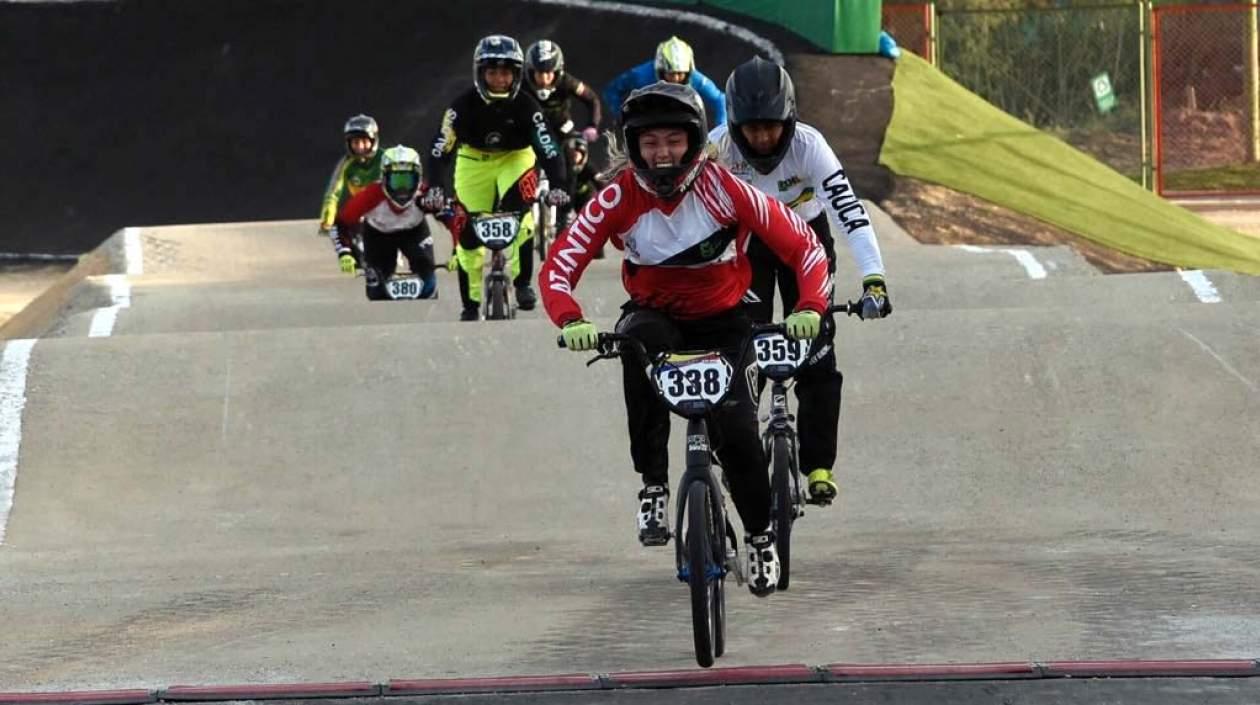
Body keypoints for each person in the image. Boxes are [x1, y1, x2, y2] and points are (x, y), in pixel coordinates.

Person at [540, 82, 830, 597]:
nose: (662, 154)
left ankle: (761, 535)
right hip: (656, 314)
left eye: (673, 141)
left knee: (739, 428)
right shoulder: (617, 196)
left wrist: (809, 306)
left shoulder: (727, 188)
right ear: (632, 147)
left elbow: (805, 246)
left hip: (727, 319)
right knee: (634, 343)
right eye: (649, 143)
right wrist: (570, 319)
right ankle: (653, 483)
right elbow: (560, 264)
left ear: (695, 141)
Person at [709, 56, 892, 506]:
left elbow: (849, 214)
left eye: (771, 127)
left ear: (789, 118)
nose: (762, 138)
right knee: (737, 350)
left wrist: (874, 278)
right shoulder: (715, 149)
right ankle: (738, 454)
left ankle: (818, 464)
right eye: (751, 129)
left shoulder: (811, 146)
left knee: (818, 351)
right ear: (733, 125)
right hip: (748, 247)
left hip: (806, 245)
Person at [424, 34, 569, 321]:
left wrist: (558, 185)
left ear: (516, 75)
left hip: (515, 159)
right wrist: (436, 187)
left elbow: (549, 147)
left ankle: (523, 282)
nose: (499, 79)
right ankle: (470, 302)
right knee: (466, 226)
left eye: (506, 72)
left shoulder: (528, 106)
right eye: (492, 72)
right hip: (472, 160)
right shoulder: (460, 107)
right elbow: (440, 147)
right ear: (480, 73)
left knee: (521, 211)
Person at [334, 145, 452, 300]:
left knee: (428, 284)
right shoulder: (370, 195)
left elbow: (454, 219)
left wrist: (459, 251)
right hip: (378, 236)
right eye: (397, 181)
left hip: (414, 232)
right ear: (384, 178)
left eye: (407, 180)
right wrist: (345, 253)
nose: (402, 189)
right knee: (376, 292)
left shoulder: (426, 194)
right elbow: (341, 223)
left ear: (418, 178)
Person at [602, 36, 726, 128]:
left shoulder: (695, 78)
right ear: (660, 69)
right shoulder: (639, 75)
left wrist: (720, 130)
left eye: (680, 74)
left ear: (688, 71)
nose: (676, 79)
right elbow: (611, 91)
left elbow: (720, 99)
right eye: (671, 74)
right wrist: (621, 115)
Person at [319, 114, 383, 273]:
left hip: (387, 210)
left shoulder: (386, 158)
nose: (360, 146)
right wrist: (327, 217)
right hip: (361, 212)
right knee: (342, 227)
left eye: (364, 141)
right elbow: (333, 192)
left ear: (373, 140)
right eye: (355, 142)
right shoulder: (346, 163)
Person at [522, 40, 602, 143]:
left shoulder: (567, 82)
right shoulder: (520, 84)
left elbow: (592, 99)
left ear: (557, 70)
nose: (544, 79)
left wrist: (592, 126)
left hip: (562, 129)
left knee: (576, 154)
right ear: (531, 71)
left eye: (548, 72)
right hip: (528, 130)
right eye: (539, 73)